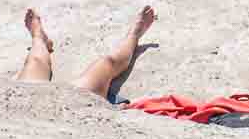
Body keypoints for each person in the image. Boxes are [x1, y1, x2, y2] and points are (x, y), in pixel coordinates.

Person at [16, 5, 157, 100]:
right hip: (71, 105)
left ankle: (38, 37)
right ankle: (134, 35)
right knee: (106, 63)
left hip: (28, 98)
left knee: (35, 62)